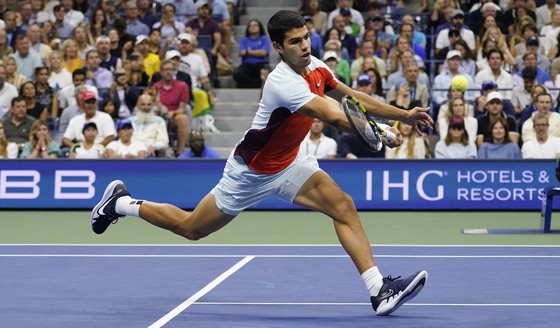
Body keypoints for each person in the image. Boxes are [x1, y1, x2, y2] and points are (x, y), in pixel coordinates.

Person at [91, 10, 431, 317]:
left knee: (343, 206)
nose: (304, 46)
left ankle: (379, 290)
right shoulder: (282, 82)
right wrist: (380, 133)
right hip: (251, 172)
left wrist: (402, 115)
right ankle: (121, 203)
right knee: (191, 228)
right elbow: (334, 114)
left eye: (306, 38)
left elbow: (351, 99)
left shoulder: (317, 67)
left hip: (292, 161)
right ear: (278, 47)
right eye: (295, 42)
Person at [233, 19, 270, 89]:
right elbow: (242, 53)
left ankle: (245, 86)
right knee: (237, 74)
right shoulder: (244, 39)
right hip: (247, 65)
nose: (253, 27)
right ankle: (256, 84)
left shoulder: (264, 38)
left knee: (267, 75)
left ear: (260, 27)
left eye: (255, 25)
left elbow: (264, 53)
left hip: (261, 64)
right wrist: (257, 52)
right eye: (250, 26)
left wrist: (248, 52)